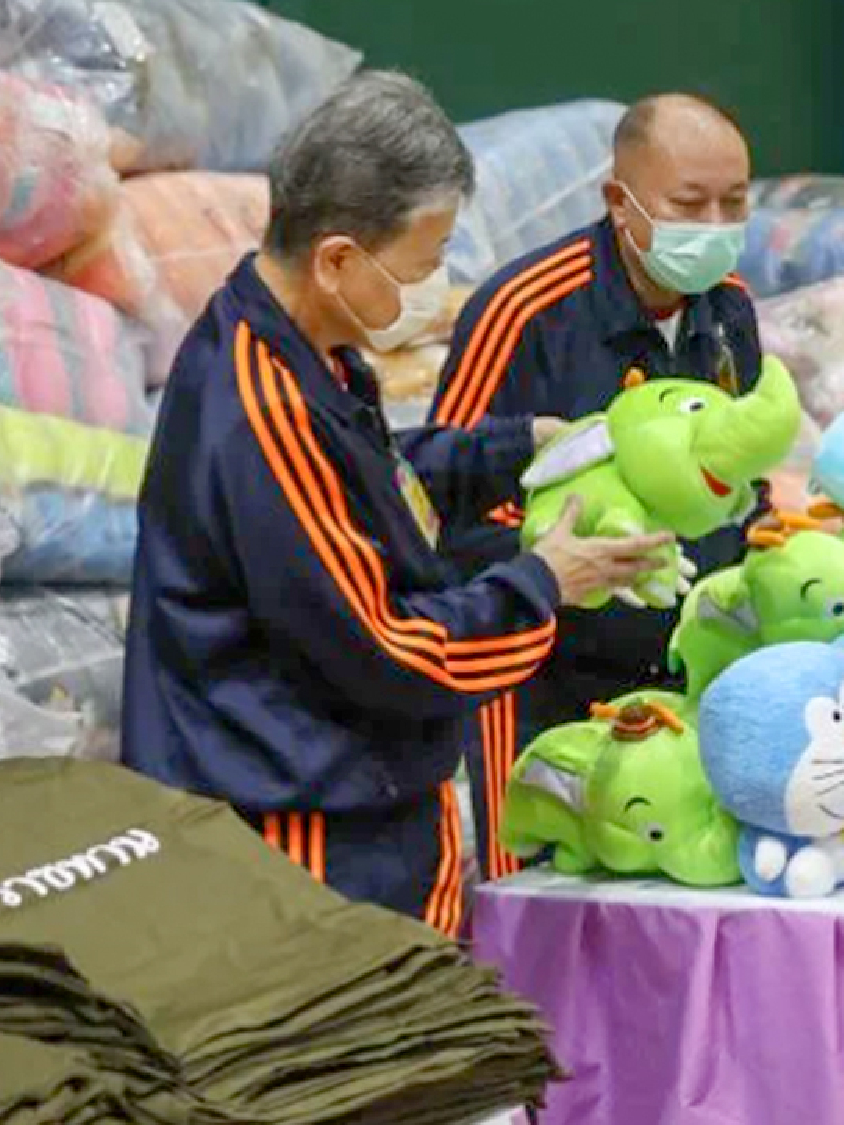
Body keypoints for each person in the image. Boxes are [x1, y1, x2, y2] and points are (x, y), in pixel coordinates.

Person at [122, 72, 673, 935]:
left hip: (360, 805)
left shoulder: (311, 350)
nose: (436, 280)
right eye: (426, 258)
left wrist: (514, 447)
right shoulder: (262, 406)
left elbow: (373, 486)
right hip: (299, 835)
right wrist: (544, 582)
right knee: (360, 1059)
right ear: (339, 258)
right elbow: (387, 648)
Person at [428, 93, 764, 882]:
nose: (714, 222)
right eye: (689, 204)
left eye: (735, 201)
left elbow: (736, 472)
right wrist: (566, 558)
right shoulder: (525, 311)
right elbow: (445, 499)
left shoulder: (732, 311)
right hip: (545, 681)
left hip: (686, 676)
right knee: (538, 905)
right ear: (620, 202)